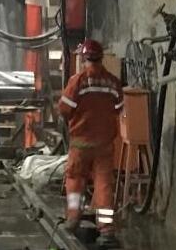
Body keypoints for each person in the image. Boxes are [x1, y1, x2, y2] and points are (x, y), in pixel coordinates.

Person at [58, 39, 123, 248]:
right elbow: (119, 108)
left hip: (81, 143)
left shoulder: (78, 81)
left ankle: (73, 218)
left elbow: (64, 109)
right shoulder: (113, 82)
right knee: (104, 185)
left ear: (84, 58)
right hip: (104, 144)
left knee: (75, 181)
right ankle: (106, 229)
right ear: (101, 58)